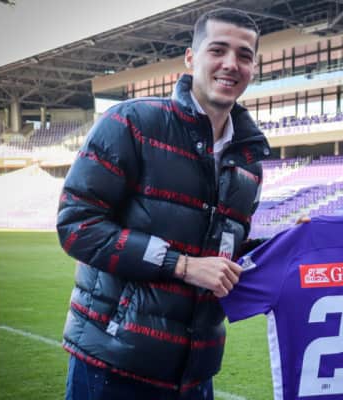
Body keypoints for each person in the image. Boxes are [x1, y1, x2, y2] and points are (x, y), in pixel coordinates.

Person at [57, 8, 269, 399]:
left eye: (244, 55)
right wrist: (182, 265)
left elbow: (226, 254)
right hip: (113, 366)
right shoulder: (131, 123)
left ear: (254, 68)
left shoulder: (249, 162)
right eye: (217, 50)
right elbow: (77, 227)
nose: (231, 64)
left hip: (195, 375)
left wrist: (297, 243)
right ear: (190, 58)